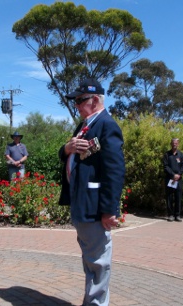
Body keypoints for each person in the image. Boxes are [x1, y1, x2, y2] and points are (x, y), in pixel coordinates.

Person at [59, 78, 125, 305]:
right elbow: (68, 153)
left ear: (95, 100)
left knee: (98, 261)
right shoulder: (84, 126)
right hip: (81, 203)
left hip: (95, 207)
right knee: (90, 259)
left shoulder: (107, 125)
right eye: (75, 101)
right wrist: (66, 148)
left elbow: (114, 171)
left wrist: (109, 210)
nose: (76, 105)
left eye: (80, 100)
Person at [163, 138, 183, 222]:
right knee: (169, 197)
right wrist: (173, 175)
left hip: (178, 179)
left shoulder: (181, 155)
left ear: (178, 144)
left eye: (176, 143)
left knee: (178, 197)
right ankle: (170, 215)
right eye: (173, 143)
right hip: (170, 179)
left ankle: (178, 215)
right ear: (171, 144)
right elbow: (165, 166)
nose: (174, 145)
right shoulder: (167, 155)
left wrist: (178, 175)